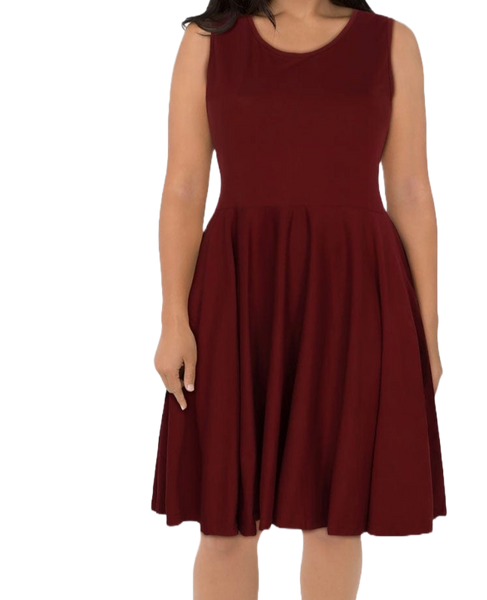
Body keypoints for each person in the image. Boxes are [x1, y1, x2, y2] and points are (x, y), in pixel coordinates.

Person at [149, 1, 449, 598]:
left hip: (354, 296)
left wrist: (426, 333)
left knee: (337, 523)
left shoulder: (393, 41)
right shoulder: (208, 40)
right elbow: (182, 186)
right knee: (226, 525)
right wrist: (173, 318)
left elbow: (412, 191)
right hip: (238, 293)